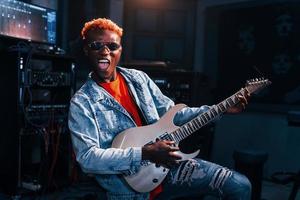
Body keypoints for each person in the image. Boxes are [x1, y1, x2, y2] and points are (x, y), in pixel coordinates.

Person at [68, 18, 252, 200]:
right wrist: (145, 153)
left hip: (170, 166)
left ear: (120, 49)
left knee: (240, 186)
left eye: (112, 46)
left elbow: (174, 115)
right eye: (96, 45)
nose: (105, 51)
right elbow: (87, 158)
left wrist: (221, 109)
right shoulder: (82, 102)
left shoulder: (138, 79)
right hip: (129, 189)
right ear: (86, 50)